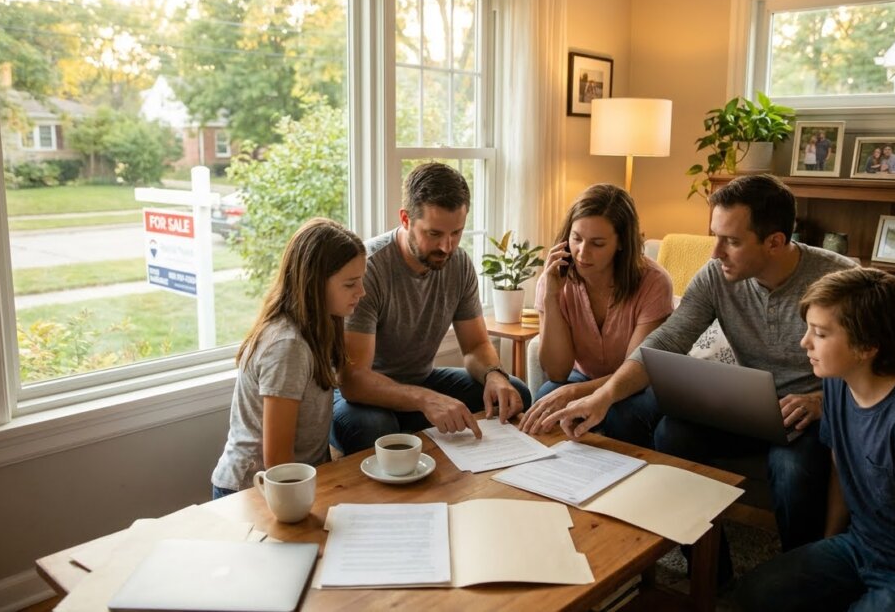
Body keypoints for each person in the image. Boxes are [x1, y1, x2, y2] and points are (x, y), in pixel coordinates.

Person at [545, 174, 856, 552]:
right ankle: (708, 567)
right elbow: (666, 341)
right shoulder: (716, 276)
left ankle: (805, 568)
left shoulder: (840, 280)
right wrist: (604, 396)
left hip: (809, 417)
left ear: (775, 242)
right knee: (671, 434)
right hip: (749, 409)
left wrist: (823, 401)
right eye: (715, 236)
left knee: (792, 468)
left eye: (732, 241)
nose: (715, 253)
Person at [737, 268, 895, 611]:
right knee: (757, 592)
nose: (804, 343)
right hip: (862, 545)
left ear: (867, 346)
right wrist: (828, 545)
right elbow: (842, 471)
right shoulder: (837, 384)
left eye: (820, 334)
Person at [332, 162, 532, 455]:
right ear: (405, 219)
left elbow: (475, 345)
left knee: (514, 394)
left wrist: (494, 374)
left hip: (420, 380)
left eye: (456, 233)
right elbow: (354, 381)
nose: (447, 247)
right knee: (375, 430)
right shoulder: (369, 269)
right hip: (356, 397)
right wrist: (426, 400)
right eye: (434, 234)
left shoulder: (459, 264)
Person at [211, 218, 366, 498]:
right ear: (315, 284)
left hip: (296, 482)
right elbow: (278, 462)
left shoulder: (320, 327)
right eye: (350, 284)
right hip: (255, 492)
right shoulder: (287, 346)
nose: (362, 292)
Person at [518, 184, 673, 447]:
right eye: (576, 239)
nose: (582, 253)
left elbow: (635, 372)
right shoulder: (555, 278)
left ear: (622, 242)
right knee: (547, 397)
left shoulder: (654, 283)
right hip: (585, 376)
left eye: (597, 243)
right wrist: (551, 297)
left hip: (639, 384)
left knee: (621, 415)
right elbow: (556, 371)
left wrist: (575, 391)